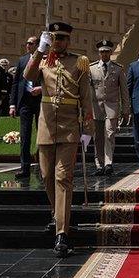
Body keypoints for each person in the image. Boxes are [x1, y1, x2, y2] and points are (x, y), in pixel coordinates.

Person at [24, 22, 93, 257]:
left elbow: (86, 96)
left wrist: (88, 128)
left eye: (63, 38)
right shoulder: (43, 59)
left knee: (63, 177)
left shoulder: (79, 62)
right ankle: (58, 215)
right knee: (46, 176)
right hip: (46, 126)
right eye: (55, 38)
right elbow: (28, 76)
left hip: (69, 127)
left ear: (69, 40)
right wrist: (39, 50)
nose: (59, 42)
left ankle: (62, 233)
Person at [89, 39, 129, 176]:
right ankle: (99, 164)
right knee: (98, 137)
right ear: (99, 53)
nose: (104, 54)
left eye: (106, 51)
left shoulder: (118, 68)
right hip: (96, 107)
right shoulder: (91, 68)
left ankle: (108, 163)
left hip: (112, 106)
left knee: (110, 133)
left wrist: (126, 110)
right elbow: (87, 91)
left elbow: (124, 90)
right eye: (102, 52)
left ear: (111, 52)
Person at [10, 36, 41, 180]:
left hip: (41, 101)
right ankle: (24, 168)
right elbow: (16, 83)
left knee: (42, 137)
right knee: (25, 136)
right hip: (25, 102)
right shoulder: (22, 60)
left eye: (31, 43)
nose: (28, 45)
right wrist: (12, 104)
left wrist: (41, 89)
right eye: (27, 43)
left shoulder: (45, 59)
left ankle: (43, 167)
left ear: (37, 45)